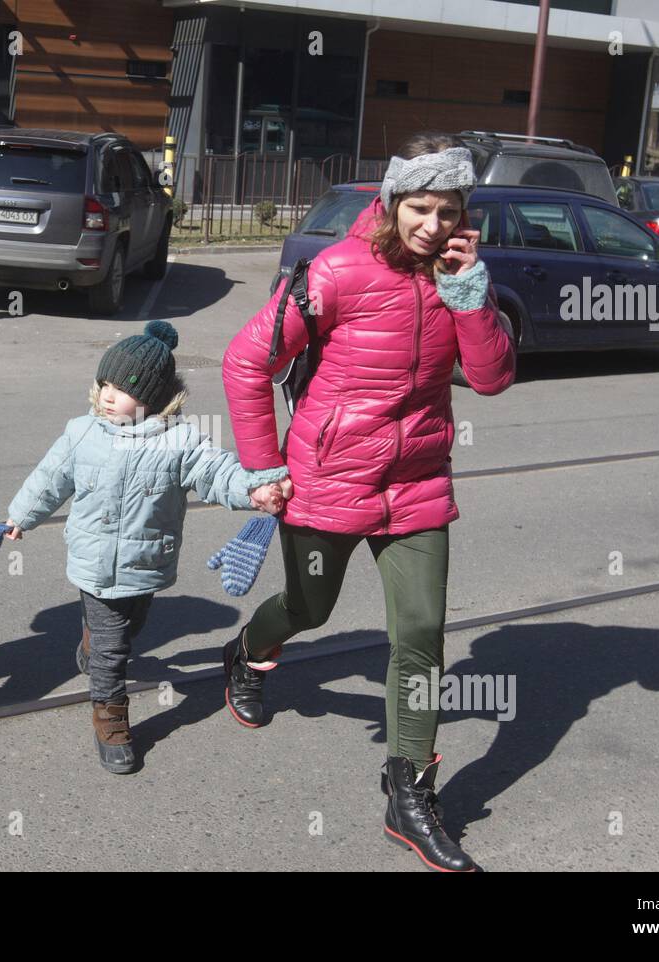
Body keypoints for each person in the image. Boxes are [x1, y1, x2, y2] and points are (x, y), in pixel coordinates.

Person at [220, 132, 516, 871]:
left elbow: (491, 379)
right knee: (308, 608)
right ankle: (248, 653)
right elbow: (247, 361)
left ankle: (409, 792)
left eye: (449, 211)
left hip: (417, 482)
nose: (433, 226)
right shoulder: (338, 270)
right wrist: (263, 466)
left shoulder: (459, 275)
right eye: (420, 208)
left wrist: (470, 295)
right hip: (330, 476)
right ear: (392, 202)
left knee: (420, 633)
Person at [2, 321, 290, 774]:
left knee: (131, 626)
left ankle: (92, 643)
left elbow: (217, 473)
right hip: (94, 565)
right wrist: (21, 516)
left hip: (146, 564)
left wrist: (253, 491)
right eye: (105, 384)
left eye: (122, 389)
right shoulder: (82, 432)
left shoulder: (180, 441)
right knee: (114, 649)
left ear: (153, 398)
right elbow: (49, 479)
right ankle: (111, 720)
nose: (108, 396)